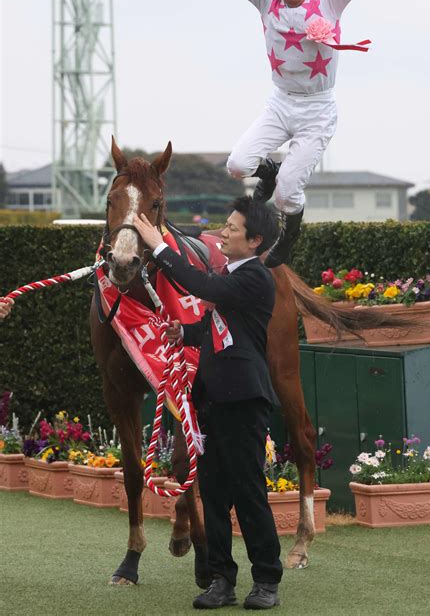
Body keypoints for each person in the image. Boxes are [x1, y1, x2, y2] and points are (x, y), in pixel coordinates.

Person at [182, 0, 404, 267]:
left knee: (286, 195)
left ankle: (290, 232)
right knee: (237, 165)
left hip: (317, 109)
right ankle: (267, 170)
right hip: (281, 103)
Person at [133, 197, 283, 610]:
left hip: (244, 400)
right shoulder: (233, 275)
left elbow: (203, 288)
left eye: (234, 227)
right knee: (214, 494)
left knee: (249, 492)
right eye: (228, 224)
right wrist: (188, 333)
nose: (225, 231)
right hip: (212, 399)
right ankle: (221, 579)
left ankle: (266, 579)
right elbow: (221, 324)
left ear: (255, 241)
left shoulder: (255, 277)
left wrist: (158, 245)